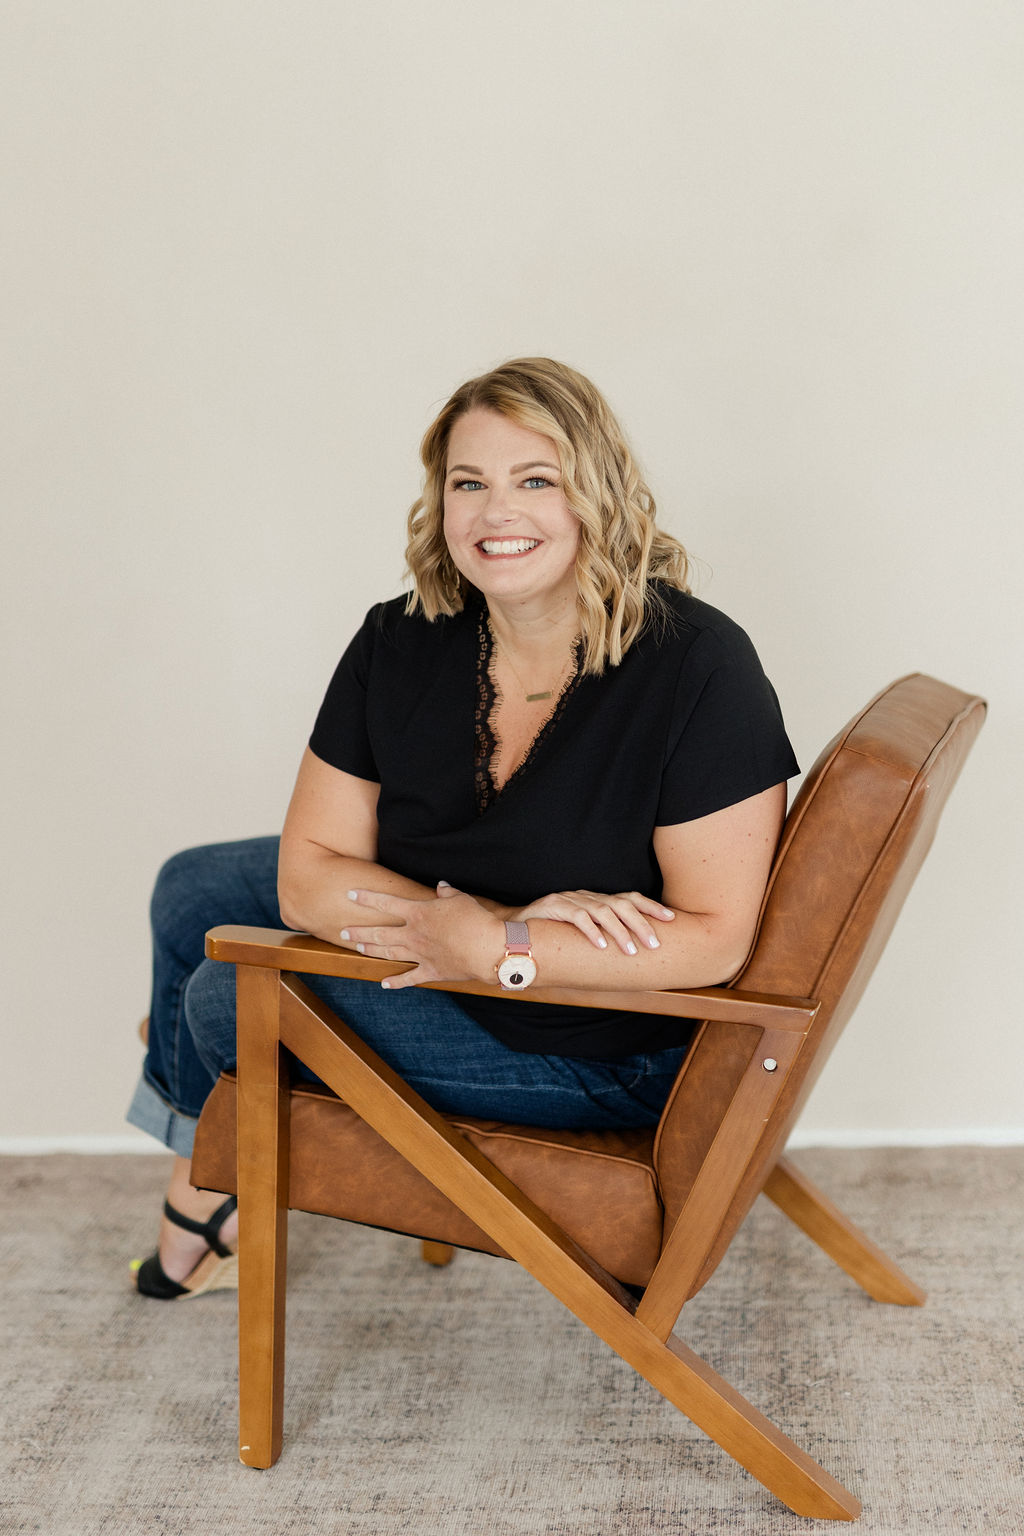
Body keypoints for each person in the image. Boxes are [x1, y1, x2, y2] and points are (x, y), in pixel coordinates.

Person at [127, 357, 799, 1298]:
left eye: (535, 481)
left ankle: (211, 1185)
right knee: (194, 890)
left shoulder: (699, 667)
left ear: (593, 496)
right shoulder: (401, 638)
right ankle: (206, 1169)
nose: (497, 514)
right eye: (468, 483)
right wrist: (493, 917)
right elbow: (307, 871)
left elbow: (718, 941)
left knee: (220, 1000)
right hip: (483, 937)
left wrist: (505, 949)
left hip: (595, 1035)